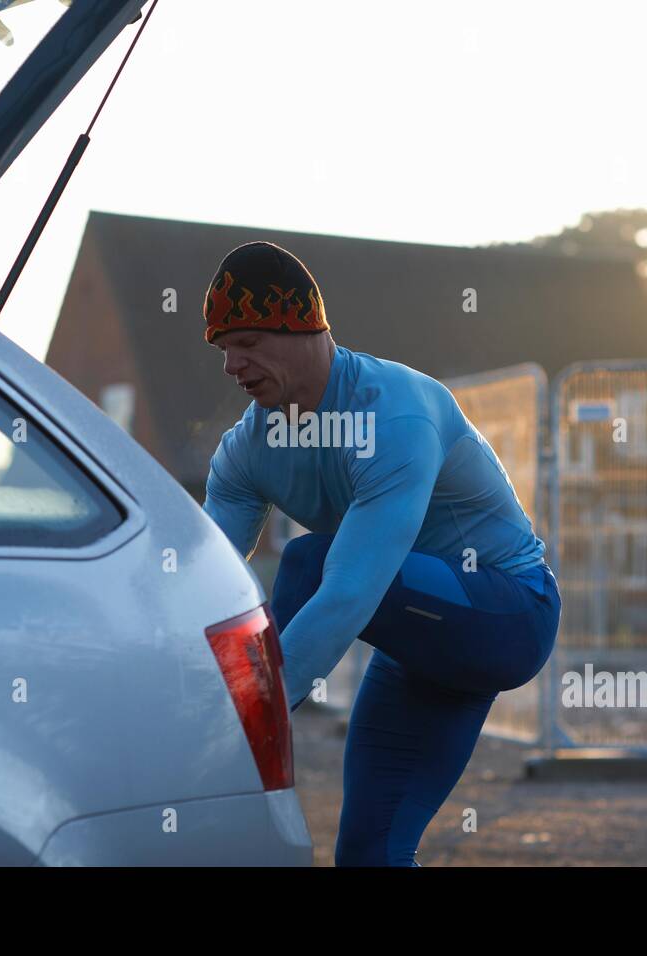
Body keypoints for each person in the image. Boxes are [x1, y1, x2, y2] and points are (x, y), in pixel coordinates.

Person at [199, 240, 560, 866]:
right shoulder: (245, 451)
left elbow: (344, 593)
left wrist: (243, 725)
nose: (232, 364)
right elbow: (197, 587)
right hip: (418, 646)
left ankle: (252, 739)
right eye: (223, 348)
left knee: (310, 561)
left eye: (248, 342)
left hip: (509, 613)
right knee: (369, 857)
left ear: (305, 331)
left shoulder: (394, 415)